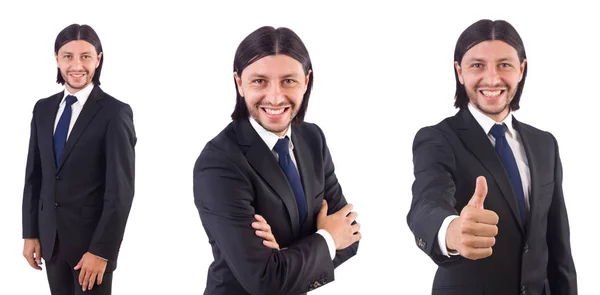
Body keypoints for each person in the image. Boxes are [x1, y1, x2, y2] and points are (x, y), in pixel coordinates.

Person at [407, 19, 577, 295]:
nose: (492, 78)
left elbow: (558, 246)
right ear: (459, 71)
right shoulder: (438, 139)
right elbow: (427, 202)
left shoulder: (545, 144)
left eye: (504, 64)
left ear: (521, 69)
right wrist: (451, 230)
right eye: (477, 65)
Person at [193, 26, 360, 295]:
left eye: (288, 81)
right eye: (259, 81)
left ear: (306, 82)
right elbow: (265, 281)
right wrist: (326, 238)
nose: (274, 97)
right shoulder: (218, 163)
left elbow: (350, 237)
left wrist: (283, 259)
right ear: (239, 83)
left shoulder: (312, 138)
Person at [21, 24, 136, 295]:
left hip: (91, 249)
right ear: (57, 59)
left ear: (98, 59)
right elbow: (34, 175)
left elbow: (120, 192)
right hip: (51, 242)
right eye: (68, 56)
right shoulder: (43, 109)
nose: (77, 65)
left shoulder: (114, 113)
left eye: (85, 56)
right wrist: (30, 233)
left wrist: (102, 251)